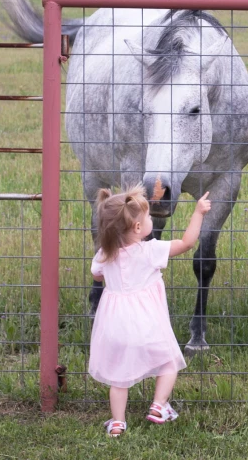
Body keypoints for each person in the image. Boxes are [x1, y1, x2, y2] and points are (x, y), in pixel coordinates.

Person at [88, 184, 211, 437]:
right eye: (147, 218)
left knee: (118, 376)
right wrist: (198, 212)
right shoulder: (150, 251)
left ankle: (118, 423)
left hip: (115, 327)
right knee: (168, 362)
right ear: (137, 228)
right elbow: (188, 243)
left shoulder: (103, 254)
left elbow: (96, 276)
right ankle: (158, 405)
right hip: (148, 324)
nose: (149, 221)